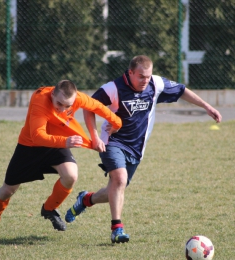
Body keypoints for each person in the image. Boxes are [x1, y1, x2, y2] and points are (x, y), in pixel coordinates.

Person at [65, 55, 222, 243]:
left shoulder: (155, 84)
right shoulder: (113, 88)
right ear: (130, 72)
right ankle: (117, 229)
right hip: (112, 142)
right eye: (140, 76)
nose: (145, 81)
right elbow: (88, 107)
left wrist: (206, 106)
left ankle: (85, 199)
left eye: (147, 76)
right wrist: (95, 136)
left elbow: (181, 91)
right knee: (120, 179)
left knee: (115, 189)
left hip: (137, 149)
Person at [0, 80, 122, 243]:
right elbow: (37, 136)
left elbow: (97, 107)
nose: (62, 109)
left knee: (70, 176)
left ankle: (49, 208)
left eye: (68, 106)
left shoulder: (76, 98)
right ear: (52, 94)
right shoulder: (40, 100)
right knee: (7, 190)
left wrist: (117, 123)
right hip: (30, 147)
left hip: (57, 142)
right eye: (59, 104)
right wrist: (65, 142)